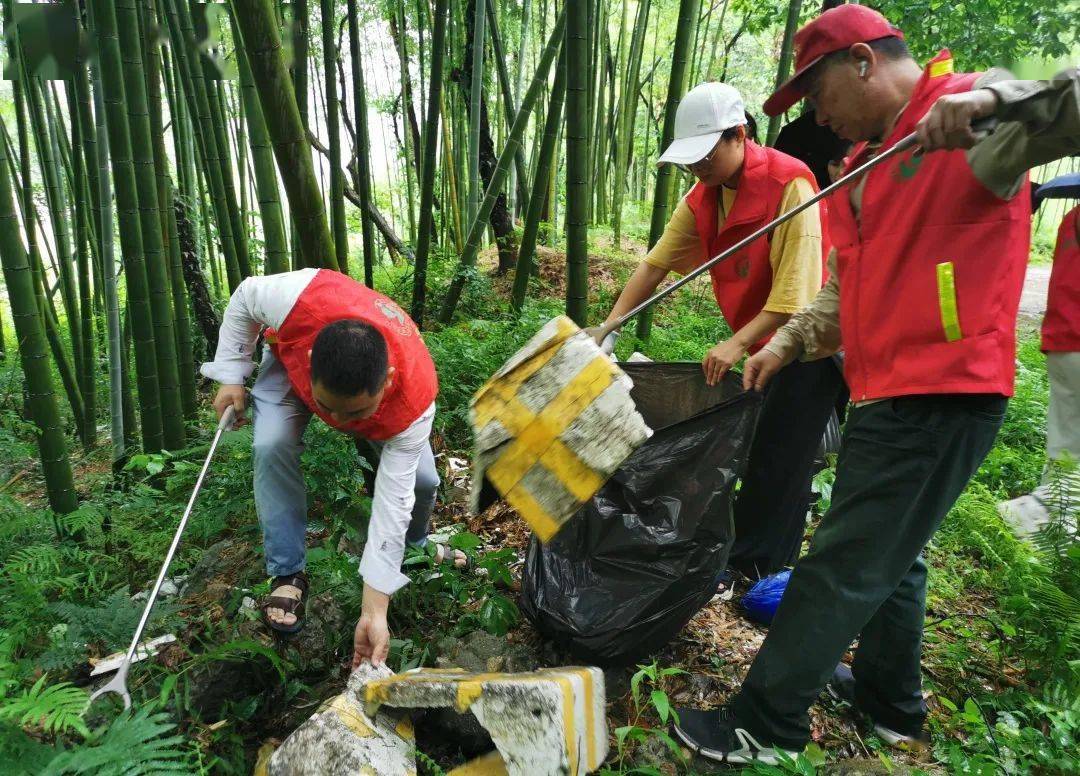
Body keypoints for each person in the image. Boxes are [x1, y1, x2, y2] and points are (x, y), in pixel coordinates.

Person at [669, 5, 1080, 764]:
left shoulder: (968, 118)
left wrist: (996, 101)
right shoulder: (871, 162)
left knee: (844, 558)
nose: (816, 114)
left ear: (862, 61)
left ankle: (765, 721)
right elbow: (845, 295)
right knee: (897, 557)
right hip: (884, 390)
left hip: (943, 390)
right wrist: (786, 344)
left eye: (817, 91)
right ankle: (891, 702)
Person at [592, 81, 847, 582]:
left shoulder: (791, 184)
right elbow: (655, 265)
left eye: (706, 156)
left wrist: (735, 342)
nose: (697, 168)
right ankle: (744, 556)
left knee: (783, 459)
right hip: (760, 344)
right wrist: (609, 326)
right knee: (757, 451)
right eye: (691, 160)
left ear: (739, 134)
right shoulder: (703, 196)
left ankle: (760, 569)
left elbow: (798, 296)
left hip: (810, 345)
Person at [201, 268, 464, 664]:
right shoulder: (292, 299)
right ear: (311, 361)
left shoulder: (414, 397)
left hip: (385, 402)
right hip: (292, 368)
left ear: (387, 380)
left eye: (354, 412)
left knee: (424, 481)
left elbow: (392, 504)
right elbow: (243, 296)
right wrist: (232, 375)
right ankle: (288, 572)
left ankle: (417, 546)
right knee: (271, 443)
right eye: (328, 409)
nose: (340, 421)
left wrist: (374, 611)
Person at [998, 204, 1080, 536]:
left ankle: (1053, 521)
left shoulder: (1071, 218)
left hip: (1064, 341)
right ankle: (1054, 526)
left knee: (1067, 444)